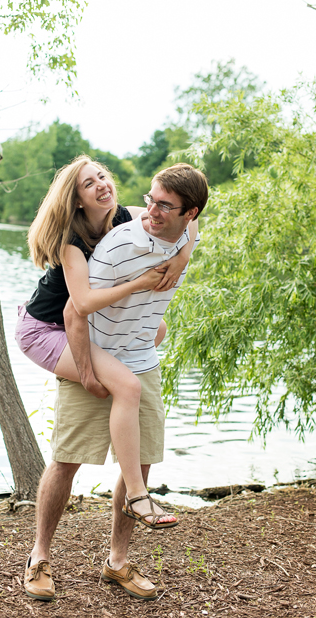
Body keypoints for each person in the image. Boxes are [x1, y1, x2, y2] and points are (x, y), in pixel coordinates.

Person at [23, 162, 209, 602]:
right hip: (55, 331)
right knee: (68, 457)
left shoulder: (132, 216)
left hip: (119, 344)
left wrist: (180, 261)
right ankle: (39, 557)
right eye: (89, 183)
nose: (101, 186)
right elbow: (78, 307)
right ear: (76, 198)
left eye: (103, 176)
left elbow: (190, 230)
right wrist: (86, 370)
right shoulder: (71, 240)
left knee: (138, 457)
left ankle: (118, 563)